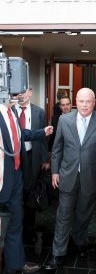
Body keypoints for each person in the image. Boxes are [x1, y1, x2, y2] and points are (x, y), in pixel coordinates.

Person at [44, 87, 96, 270]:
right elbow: (57, 148)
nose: (84, 105)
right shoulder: (64, 119)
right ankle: (57, 254)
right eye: (81, 101)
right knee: (63, 216)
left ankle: (79, 241)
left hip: (91, 177)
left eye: (88, 101)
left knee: (84, 214)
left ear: (94, 102)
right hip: (67, 175)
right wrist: (54, 171)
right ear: (76, 102)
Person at [0, 101, 53, 274]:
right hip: (2, 178)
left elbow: (18, 133)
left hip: (15, 175)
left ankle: (15, 264)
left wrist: (40, 133)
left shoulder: (11, 112)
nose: (19, 94)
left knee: (16, 223)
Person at [14, 87, 50, 240]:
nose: (20, 95)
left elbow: (42, 137)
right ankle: (16, 227)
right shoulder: (9, 111)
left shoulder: (39, 112)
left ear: (30, 92)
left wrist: (45, 159)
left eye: (23, 91)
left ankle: (29, 227)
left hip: (32, 157)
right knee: (17, 192)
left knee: (31, 191)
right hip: (14, 158)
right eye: (17, 92)